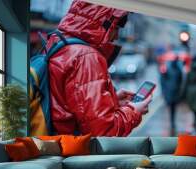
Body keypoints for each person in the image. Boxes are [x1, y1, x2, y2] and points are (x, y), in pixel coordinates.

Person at [43, 0, 152, 136]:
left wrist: (112, 101)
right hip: (73, 149)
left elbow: (69, 104)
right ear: (103, 23)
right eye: (116, 28)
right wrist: (134, 110)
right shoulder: (86, 57)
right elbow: (105, 132)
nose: (116, 36)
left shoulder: (58, 43)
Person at [160, 58, 183, 136]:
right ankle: (172, 121)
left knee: (172, 107)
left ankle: (172, 121)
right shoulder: (177, 70)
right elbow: (180, 81)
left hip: (171, 92)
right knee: (172, 107)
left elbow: (163, 80)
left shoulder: (174, 70)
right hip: (172, 92)